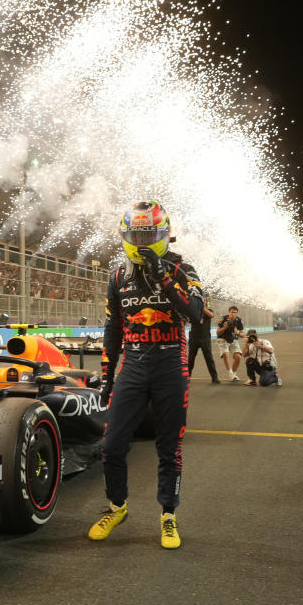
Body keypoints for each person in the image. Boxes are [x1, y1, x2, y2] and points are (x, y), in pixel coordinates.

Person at [87, 200, 203, 550]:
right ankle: (116, 507)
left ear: (164, 234)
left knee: (169, 448)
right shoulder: (118, 275)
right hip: (133, 366)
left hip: (171, 365)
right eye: (135, 234)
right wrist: (107, 375)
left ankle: (168, 515)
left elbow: (195, 313)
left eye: (148, 234)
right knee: (111, 446)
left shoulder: (184, 268)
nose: (140, 241)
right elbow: (113, 328)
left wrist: (163, 275)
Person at [188, 305, 220, 383]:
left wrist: (201, 306)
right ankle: (187, 377)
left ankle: (214, 378)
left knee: (209, 358)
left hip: (205, 338)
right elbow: (189, 318)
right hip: (194, 338)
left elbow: (211, 315)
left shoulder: (209, 310)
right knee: (190, 358)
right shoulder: (193, 310)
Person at [216, 306, 245, 381]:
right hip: (223, 338)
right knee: (226, 354)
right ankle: (230, 373)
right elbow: (218, 332)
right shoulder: (223, 319)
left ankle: (234, 374)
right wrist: (224, 328)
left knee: (238, 357)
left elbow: (243, 335)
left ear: (237, 313)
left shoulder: (239, 320)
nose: (233, 314)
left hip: (233, 339)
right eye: (232, 312)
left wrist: (237, 332)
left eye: (235, 312)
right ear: (229, 312)